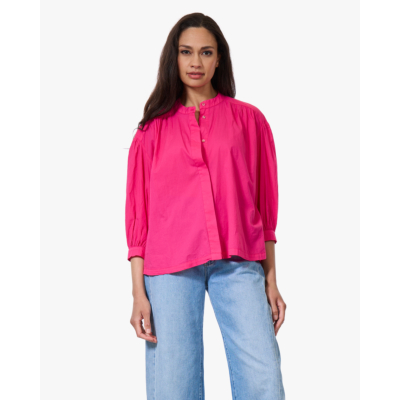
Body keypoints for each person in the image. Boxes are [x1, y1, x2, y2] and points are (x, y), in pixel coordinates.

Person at [125, 12, 286, 400]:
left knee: (263, 379)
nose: (195, 62)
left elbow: (264, 208)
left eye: (205, 52)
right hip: (170, 268)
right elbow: (138, 220)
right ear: (174, 58)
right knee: (174, 385)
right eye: (186, 52)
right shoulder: (149, 132)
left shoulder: (249, 121)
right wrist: (138, 293)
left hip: (238, 261)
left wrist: (271, 277)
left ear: (219, 59)